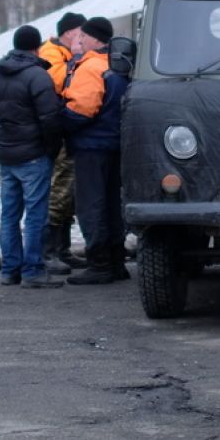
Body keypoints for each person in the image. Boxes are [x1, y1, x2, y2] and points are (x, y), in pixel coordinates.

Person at [0, 25, 65, 289]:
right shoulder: (38, 76)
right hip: (33, 154)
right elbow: (50, 119)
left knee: (9, 215)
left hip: (6, 152)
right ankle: (32, 271)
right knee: (35, 215)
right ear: (36, 47)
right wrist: (51, 149)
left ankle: (10, 270)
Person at [61, 15, 129, 285]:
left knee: (92, 204)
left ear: (94, 39)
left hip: (91, 145)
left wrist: (57, 123)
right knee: (113, 203)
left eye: (84, 36)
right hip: (116, 144)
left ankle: (99, 263)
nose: (80, 40)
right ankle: (116, 261)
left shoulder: (91, 67)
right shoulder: (120, 65)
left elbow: (82, 108)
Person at [38, 11, 84, 270]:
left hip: (68, 131)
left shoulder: (63, 54)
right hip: (58, 133)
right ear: (69, 33)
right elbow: (59, 82)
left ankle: (63, 249)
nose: (83, 38)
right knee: (58, 189)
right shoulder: (52, 54)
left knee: (68, 191)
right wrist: (79, 59)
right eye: (81, 33)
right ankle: (50, 251)